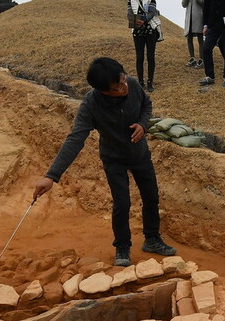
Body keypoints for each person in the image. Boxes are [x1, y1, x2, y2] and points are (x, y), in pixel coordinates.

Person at [33, 57, 177, 267]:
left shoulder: (133, 85)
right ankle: (122, 247)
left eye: (123, 80)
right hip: (114, 159)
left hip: (140, 155)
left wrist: (143, 125)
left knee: (151, 196)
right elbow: (75, 139)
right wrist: (51, 176)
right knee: (122, 203)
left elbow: (147, 104)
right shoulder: (90, 105)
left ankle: (152, 239)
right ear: (103, 91)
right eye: (118, 86)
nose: (124, 87)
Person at [126, 0, 161, 92]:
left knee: (150, 57)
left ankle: (150, 82)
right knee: (139, 57)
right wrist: (136, 21)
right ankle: (140, 82)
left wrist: (144, 20)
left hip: (150, 30)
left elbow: (152, 11)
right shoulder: (131, 0)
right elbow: (129, 14)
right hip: (137, 31)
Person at [181, 0, 204, 68]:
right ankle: (192, 58)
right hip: (189, 17)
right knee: (189, 38)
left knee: (200, 38)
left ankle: (202, 59)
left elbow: (204, 2)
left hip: (199, 17)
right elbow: (183, 4)